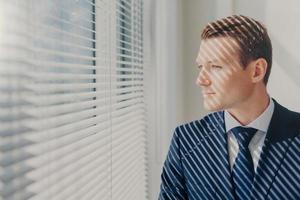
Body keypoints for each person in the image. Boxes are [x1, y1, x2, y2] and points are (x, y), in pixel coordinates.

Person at [159, 15, 300, 200]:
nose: (200, 80)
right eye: (200, 67)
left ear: (257, 71)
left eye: (215, 66)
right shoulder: (185, 141)